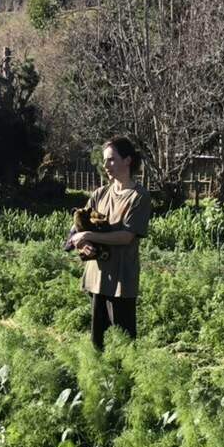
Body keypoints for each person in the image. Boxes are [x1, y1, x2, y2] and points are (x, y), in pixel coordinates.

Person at [68, 136, 152, 350]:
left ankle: (124, 374)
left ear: (128, 160)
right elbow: (78, 227)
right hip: (97, 278)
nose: (106, 165)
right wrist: (82, 244)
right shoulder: (100, 194)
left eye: (112, 159)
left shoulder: (138, 197)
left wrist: (89, 236)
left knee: (123, 344)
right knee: (98, 343)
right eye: (105, 160)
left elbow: (126, 236)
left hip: (121, 280)